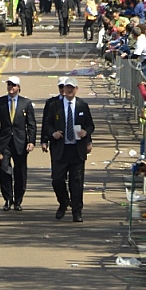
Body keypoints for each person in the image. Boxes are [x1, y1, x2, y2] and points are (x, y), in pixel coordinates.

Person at [41, 77, 94, 222]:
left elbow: (90, 125)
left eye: (72, 87)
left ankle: (77, 211)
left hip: (77, 150)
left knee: (76, 182)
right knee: (57, 179)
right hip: (60, 149)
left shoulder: (82, 105)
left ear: (76, 89)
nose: (69, 90)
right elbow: (47, 124)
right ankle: (63, 202)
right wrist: (53, 134)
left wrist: (86, 133)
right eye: (67, 87)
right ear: (63, 89)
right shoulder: (55, 106)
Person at [0, 77, 37, 211]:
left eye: (13, 85)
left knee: (20, 172)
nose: (11, 87)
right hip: (4, 142)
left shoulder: (26, 103)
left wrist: (31, 141)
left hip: (20, 142)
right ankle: (7, 199)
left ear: (19, 87)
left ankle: (18, 200)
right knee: (4, 170)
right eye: (9, 85)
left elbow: (31, 124)